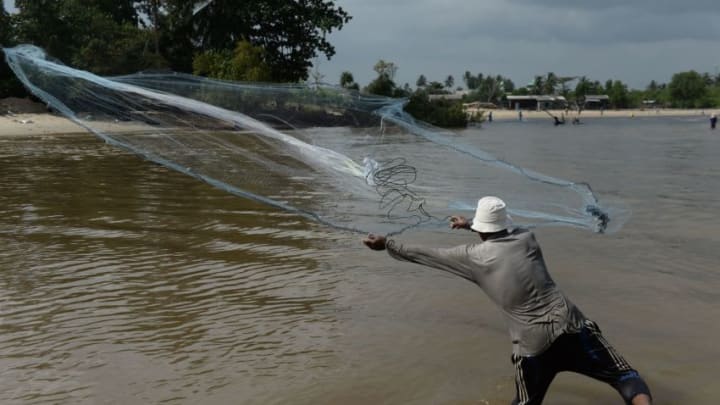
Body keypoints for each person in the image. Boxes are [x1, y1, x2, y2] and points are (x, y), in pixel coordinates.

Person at [363, 196, 652, 405]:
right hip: (573, 325)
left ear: (479, 228)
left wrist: (387, 243)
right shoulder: (528, 238)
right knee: (627, 377)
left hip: (533, 344)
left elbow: (427, 255)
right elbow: (504, 232)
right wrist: (470, 225)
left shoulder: (473, 257)